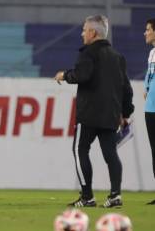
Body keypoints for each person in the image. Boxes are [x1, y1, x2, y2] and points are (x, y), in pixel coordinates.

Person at [54, 15, 134, 208]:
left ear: (93, 32)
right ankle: (115, 195)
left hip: (88, 113)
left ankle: (87, 196)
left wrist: (65, 75)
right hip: (110, 114)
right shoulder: (117, 57)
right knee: (110, 153)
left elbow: (82, 75)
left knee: (80, 149)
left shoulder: (88, 53)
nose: (82, 34)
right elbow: (127, 89)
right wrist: (125, 113)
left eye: (84, 30)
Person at [143, 18, 155, 205]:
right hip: (151, 108)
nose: (145, 33)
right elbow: (149, 76)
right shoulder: (152, 53)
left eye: (148, 29)